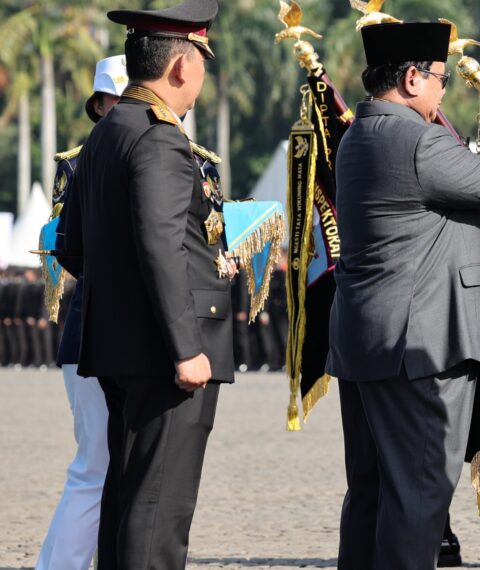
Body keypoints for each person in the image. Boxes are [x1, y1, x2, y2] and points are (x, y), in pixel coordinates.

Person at [326, 20, 480, 569]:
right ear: (413, 78)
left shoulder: (363, 132)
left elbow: (475, 173)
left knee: (372, 491)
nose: (444, 90)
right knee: (419, 492)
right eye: (440, 78)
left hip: (371, 341)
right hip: (421, 346)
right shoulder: (416, 138)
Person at [56, 0, 237, 566]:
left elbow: (71, 247)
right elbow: (161, 246)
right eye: (203, 59)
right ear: (182, 66)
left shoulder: (108, 131)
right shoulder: (159, 138)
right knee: (160, 506)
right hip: (165, 356)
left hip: (121, 348)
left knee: (128, 497)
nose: (203, 74)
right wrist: (185, 348)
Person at [35, 54, 127, 570]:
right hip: (94, 329)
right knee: (94, 469)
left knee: (98, 468)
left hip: (99, 331)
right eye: (113, 99)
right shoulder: (78, 163)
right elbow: (69, 248)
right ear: (101, 104)